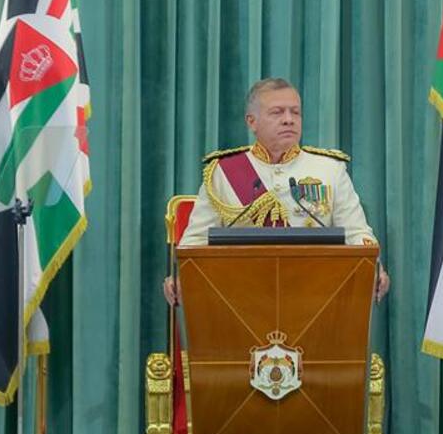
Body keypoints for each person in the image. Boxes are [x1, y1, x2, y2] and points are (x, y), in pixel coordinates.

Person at [162, 77, 390, 304]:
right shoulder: (223, 172)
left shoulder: (329, 169)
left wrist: (373, 268)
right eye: (277, 112)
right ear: (252, 122)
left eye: (295, 112)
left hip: (316, 296)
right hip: (240, 299)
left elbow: (357, 233)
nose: (288, 120)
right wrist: (182, 276)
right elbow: (196, 240)